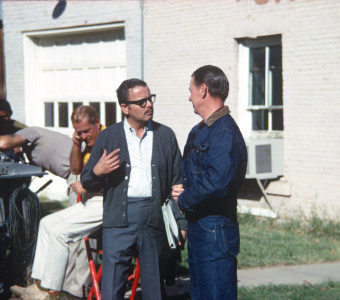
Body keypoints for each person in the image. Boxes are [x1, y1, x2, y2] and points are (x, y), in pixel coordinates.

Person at [81, 78, 187, 300]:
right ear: (124, 108)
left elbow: (177, 182)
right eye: (142, 101)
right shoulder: (108, 136)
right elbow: (87, 183)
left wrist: (181, 222)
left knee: (154, 290)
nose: (149, 104)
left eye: (150, 99)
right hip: (118, 221)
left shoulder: (165, 135)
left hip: (153, 218)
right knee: (111, 289)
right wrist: (97, 171)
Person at [9, 105, 110, 299]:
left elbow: (115, 182)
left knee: (60, 233)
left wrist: (87, 185)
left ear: (97, 122)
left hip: (107, 201)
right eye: (79, 132)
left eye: (87, 131)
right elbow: (75, 169)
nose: (84, 136)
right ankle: (39, 286)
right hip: (92, 199)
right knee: (46, 224)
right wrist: (75, 145)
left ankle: (52, 290)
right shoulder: (87, 141)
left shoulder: (108, 139)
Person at [172, 65, 247, 300]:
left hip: (215, 231)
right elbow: (200, 175)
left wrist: (184, 197)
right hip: (200, 227)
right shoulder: (200, 130)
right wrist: (184, 189)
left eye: (191, 90)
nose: (189, 97)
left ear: (203, 90)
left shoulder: (224, 132)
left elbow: (217, 182)